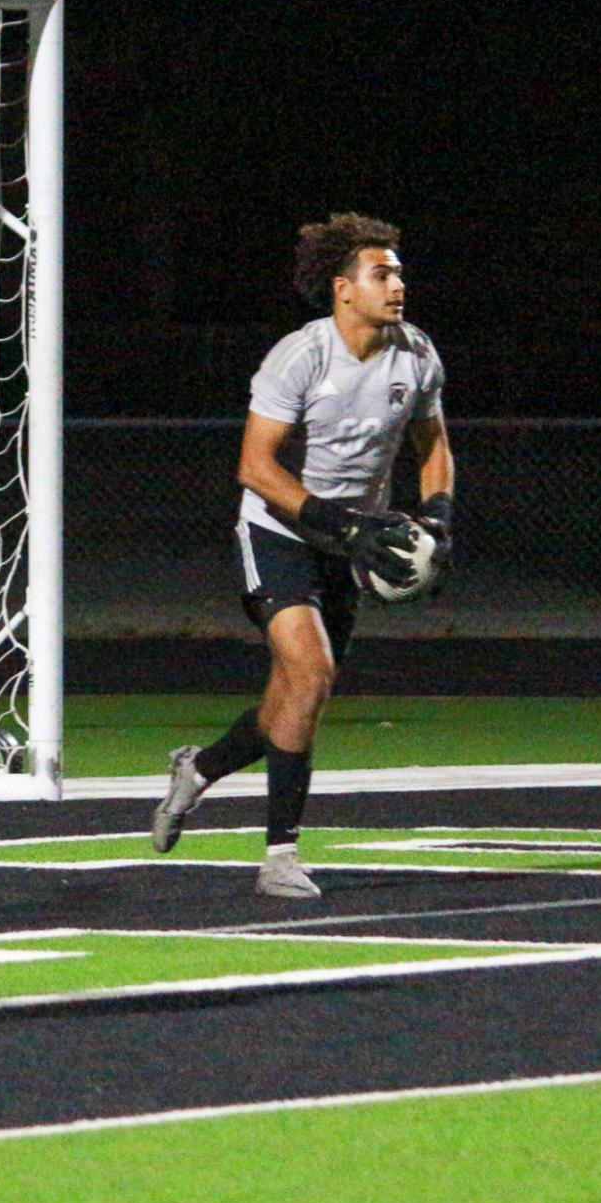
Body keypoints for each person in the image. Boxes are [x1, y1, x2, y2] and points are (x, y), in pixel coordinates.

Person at [151, 213, 454, 898]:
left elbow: (432, 445)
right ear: (344, 289)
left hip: (352, 541)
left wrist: (437, 518)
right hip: (280, 532)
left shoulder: (415, 352)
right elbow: (254, 467)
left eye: (399, 272)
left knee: (297, 696)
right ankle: (278, 856)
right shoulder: (301, 356)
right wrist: (335, 521)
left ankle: (199, 769)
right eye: (382, 273)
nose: (397, 283)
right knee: (310, 671)